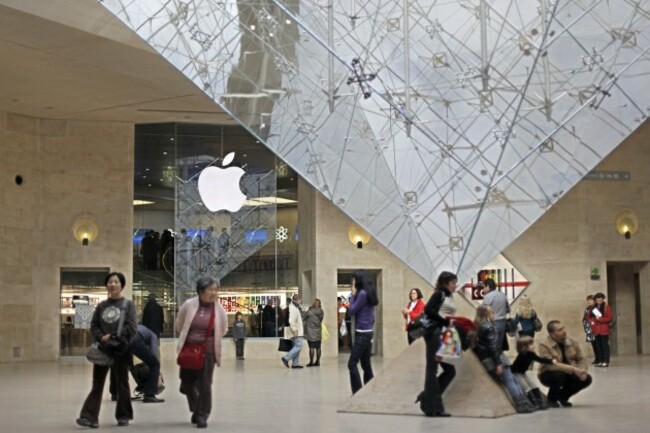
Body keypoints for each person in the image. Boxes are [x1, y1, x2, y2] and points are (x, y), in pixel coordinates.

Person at [76, 272, 137, 428]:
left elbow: (132, 327)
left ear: (121, 285)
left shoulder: (128, 304)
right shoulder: (102, 305)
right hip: (103, 349)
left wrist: (113, 335)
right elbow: (94, 325)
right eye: (110, 282)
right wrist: (101, 337)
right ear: (106, 285)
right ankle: (89, 417)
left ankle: (124, 415)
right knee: (97, 384)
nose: (113, 284)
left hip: (121, 349)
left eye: (116, 282)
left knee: (122, 383)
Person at [176, 276, 228, 429]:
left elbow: (223, 329)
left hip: (208, 350)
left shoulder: (219, 310)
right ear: (200, 291)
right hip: (189, 349)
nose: (214, 292)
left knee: (205, 383)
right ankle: (197, 407)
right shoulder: (189, 305)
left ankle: (202, 414)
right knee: (187, 382)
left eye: (216, 289)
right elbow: (180, 325)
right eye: (210, 289)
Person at [473, 306, 535, 413]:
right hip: (496, 358)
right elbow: (493, 347)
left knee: (511, 379)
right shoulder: (488, 327)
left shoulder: (477, 327)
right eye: (492, 313)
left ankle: (524, 402)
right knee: (511, 380)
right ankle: (522, 404)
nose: (494, 315)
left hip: (486, 359)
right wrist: (499, 364)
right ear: (486, 315)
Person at [415, 271, 458, 417]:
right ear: (445, 283)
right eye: (453, 283)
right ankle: (434, 408)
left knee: (450, 371)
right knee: (432, 369)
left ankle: (427, 397)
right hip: (434, 333)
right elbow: (428, 310)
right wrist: (444, 321)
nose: (455, 285)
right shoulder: (439, 294)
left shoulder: (449, 296)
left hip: (444, 334)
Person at [538, 320, 592, 408]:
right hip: (548, 373)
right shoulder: (544, 345)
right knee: (558, 376)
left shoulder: (572, 342)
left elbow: (581, 358)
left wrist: (583, 370)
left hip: (569, 372)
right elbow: (549, 365)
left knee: (587, 379)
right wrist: (574, 369)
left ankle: (562, 397)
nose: (564, 331)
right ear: (552, 334)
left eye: (563, 328)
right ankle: (551, 399)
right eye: (559, 330)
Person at [347, 270, 379, 395]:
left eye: (353, 279)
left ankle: (357, 392)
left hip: (362, 333)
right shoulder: (368, 293)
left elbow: (352, 311)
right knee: (366, 364)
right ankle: (370, 391)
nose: (352, 282)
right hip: (368, 332)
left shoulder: (361, 294)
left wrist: (353, 295)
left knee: (352, 364)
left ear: (358, 280)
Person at [511, 336, 556, 410]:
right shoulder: (522, 356)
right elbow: (515, 367)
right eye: (531, 344)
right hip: (516, 373)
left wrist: (550, 361)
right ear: (524, 347)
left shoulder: (531, 354)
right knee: (526, 387)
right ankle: (534, 403)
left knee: (534, 385)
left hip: (523, 373)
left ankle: (540, 403)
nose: (533, 346)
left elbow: (539, 359)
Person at [131, 324, 164, 403]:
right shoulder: (153, 336)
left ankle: (116, 393)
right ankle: (150, 394)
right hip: (136, 338)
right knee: (155, 364)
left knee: (123, 365)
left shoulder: (143, 328)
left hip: (125, 337)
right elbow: (153, 355)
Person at [481, 278, 510, 350]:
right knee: (499, 347)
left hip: (492, 323)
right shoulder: (503, 295)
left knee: (492, 347)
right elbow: (508, 309)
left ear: (488, 286)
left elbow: (483, 311)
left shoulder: (488, 296)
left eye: (484, 287)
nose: (483, 290)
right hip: (503, 323)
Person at [587, 292, 613, 367]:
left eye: (600, 300)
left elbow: (610, 318)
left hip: (603, 329)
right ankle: (600, 361)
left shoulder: (606, 307)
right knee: (598, 346)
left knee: (605, 346)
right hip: (595, 329)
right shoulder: (593, 307)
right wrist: (591, 321)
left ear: (603, 299)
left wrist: (601, 319)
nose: (599, 301)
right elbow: (588, 316)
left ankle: (606, 361)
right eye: (597, 300)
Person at [281, 294, 305, 369]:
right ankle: (286, 358)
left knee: (296, 346)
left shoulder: (294, 307)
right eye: (300, 300)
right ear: (298, 300)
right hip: (296, 331)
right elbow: (291, 321)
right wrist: (295, 330)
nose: (301, 301)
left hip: (296, 330)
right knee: (299, 346)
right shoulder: (293, 308)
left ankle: (295, 363)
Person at [304, 298, 324, 367]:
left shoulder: (310, 311)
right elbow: (321, 320)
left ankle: (311, 362)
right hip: (318, 330)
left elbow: (303, 317)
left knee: (311, 347)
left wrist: (306, 311)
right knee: (318, 347)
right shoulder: (321, 311)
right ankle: (318, 362)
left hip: (310, 331)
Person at [582, 295, 598, 363]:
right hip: (589, 328)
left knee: (597, 344)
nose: (589, 301)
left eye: (591, 300)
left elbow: (598, 318)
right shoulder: (588, 308)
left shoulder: (596, 308)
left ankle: (600, 358)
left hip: (596, 328)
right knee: (593, 344)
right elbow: (585, 318)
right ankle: (596, 358)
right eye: (588, 300)